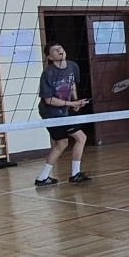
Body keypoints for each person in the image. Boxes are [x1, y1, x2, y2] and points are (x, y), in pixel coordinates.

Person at [35, 42, 91, 186]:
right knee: (81, 137)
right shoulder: (48, 73)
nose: (60, 50)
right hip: (50, 113)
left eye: (61, 48)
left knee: (61, 143)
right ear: (49, 57)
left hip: (64, 111)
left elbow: (72, 83)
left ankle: (42, 177)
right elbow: (49, 100)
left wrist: (75, 100)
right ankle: (75, 174)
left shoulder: (72, 66)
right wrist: (72, 104)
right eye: (55, 50)